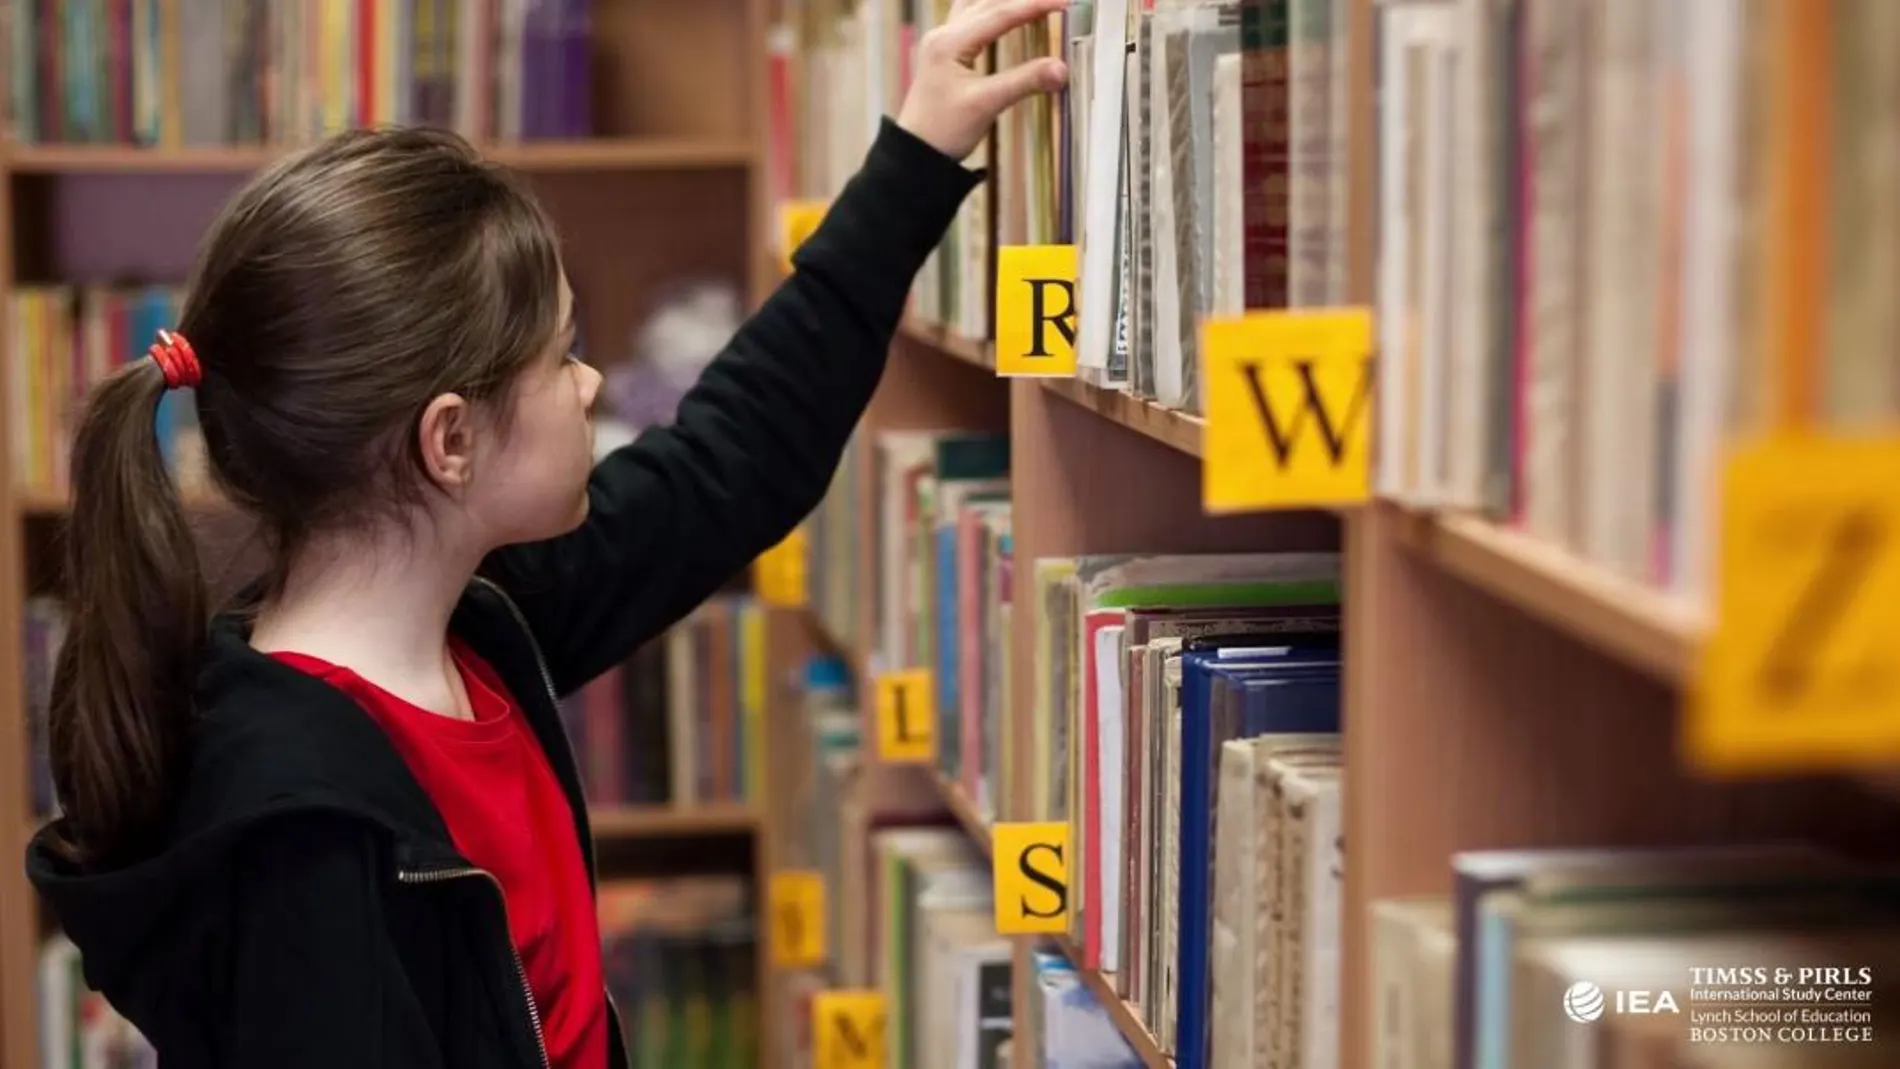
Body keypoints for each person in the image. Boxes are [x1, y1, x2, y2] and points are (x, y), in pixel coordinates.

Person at [23, 2, 1069, 1066]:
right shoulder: (306, 835)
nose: (593, 383)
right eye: (561, 355)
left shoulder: (477, 623)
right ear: (450, 441)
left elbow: (727, 465)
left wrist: (914, 161)